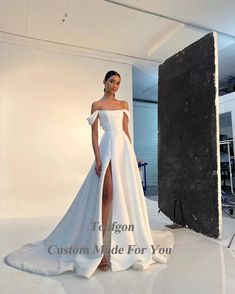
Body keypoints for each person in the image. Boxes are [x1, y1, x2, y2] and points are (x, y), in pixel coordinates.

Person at [3, 70, 175, 279]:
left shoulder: (123, 105)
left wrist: (133, 155)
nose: (115, 85)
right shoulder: (97, 105)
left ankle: (124, 241)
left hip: (123, 151)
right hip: (107, 150)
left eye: (118, 83)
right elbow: (94, 135)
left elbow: (125, 131)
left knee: (124, 195)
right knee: (107, 195)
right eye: (112, 81)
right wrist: (98, 158)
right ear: (104, 82)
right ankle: (98, 248)